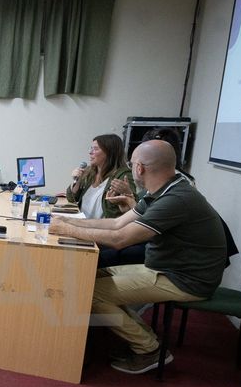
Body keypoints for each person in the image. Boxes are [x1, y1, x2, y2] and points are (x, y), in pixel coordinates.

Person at [50, 140, 229, 374]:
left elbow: (119, 239)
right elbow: (116, 223)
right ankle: (144, 337)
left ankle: (149, 350)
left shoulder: (176, 199)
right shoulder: (164, 190)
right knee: (90, 276)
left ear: (139, 168)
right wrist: (67, 221)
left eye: (132, 163)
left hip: (185, 279)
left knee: (88, 293)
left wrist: (68, 230)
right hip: (165, 268)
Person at [66, 134, 135, 221]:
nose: (90, 152)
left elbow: (133, 209)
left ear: (110, 152)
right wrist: (77, 181)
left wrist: (128, 193)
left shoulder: (123, 175)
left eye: (95, 149)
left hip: (103, 229)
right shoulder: (89, 171)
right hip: (82, 223)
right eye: (91, 148)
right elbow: (71, 198)